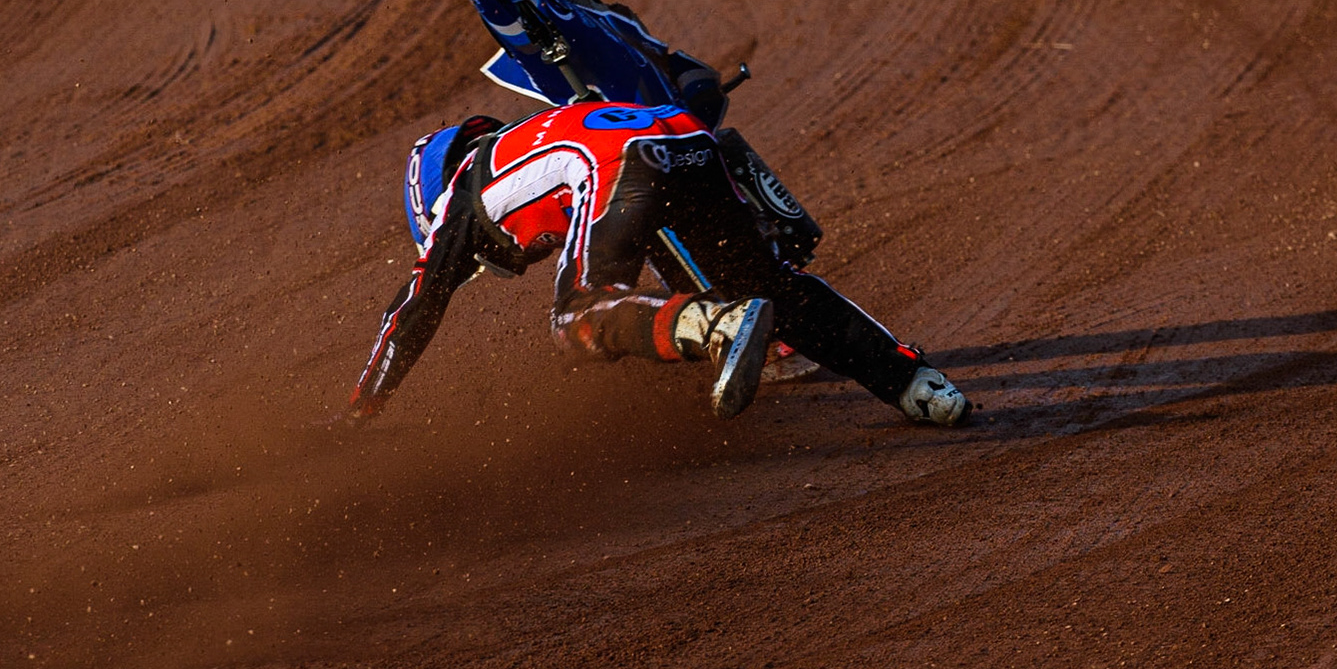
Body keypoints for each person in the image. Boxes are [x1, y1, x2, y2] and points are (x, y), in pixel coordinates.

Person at [349, 102, 969, 427]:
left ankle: (718, 327)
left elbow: (415, 306)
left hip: (621, 164)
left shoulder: (461, 192)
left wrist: (360, 411)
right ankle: (915, 386)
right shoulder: (538, 131)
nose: (525, 257)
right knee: (769, 285)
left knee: (575, 315)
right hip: (687, 142)